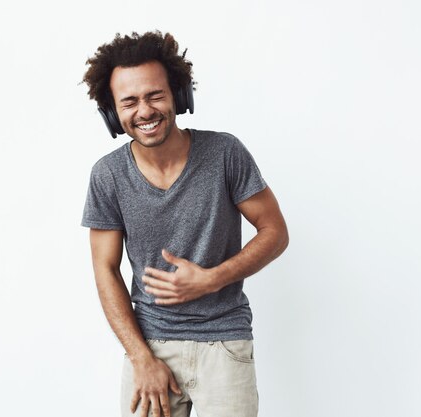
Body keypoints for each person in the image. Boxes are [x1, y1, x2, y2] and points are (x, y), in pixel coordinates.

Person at [81, 31, 289, 417]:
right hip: (150, 347)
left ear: (178, 94)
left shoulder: (226, 153)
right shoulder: (107, 176)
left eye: (154, 95)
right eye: (129, 102)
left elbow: (275, 232)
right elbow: (105, 270)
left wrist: (214, 278)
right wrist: (141, 359)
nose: (144, 111)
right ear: (112, 112)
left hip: (224, 344)